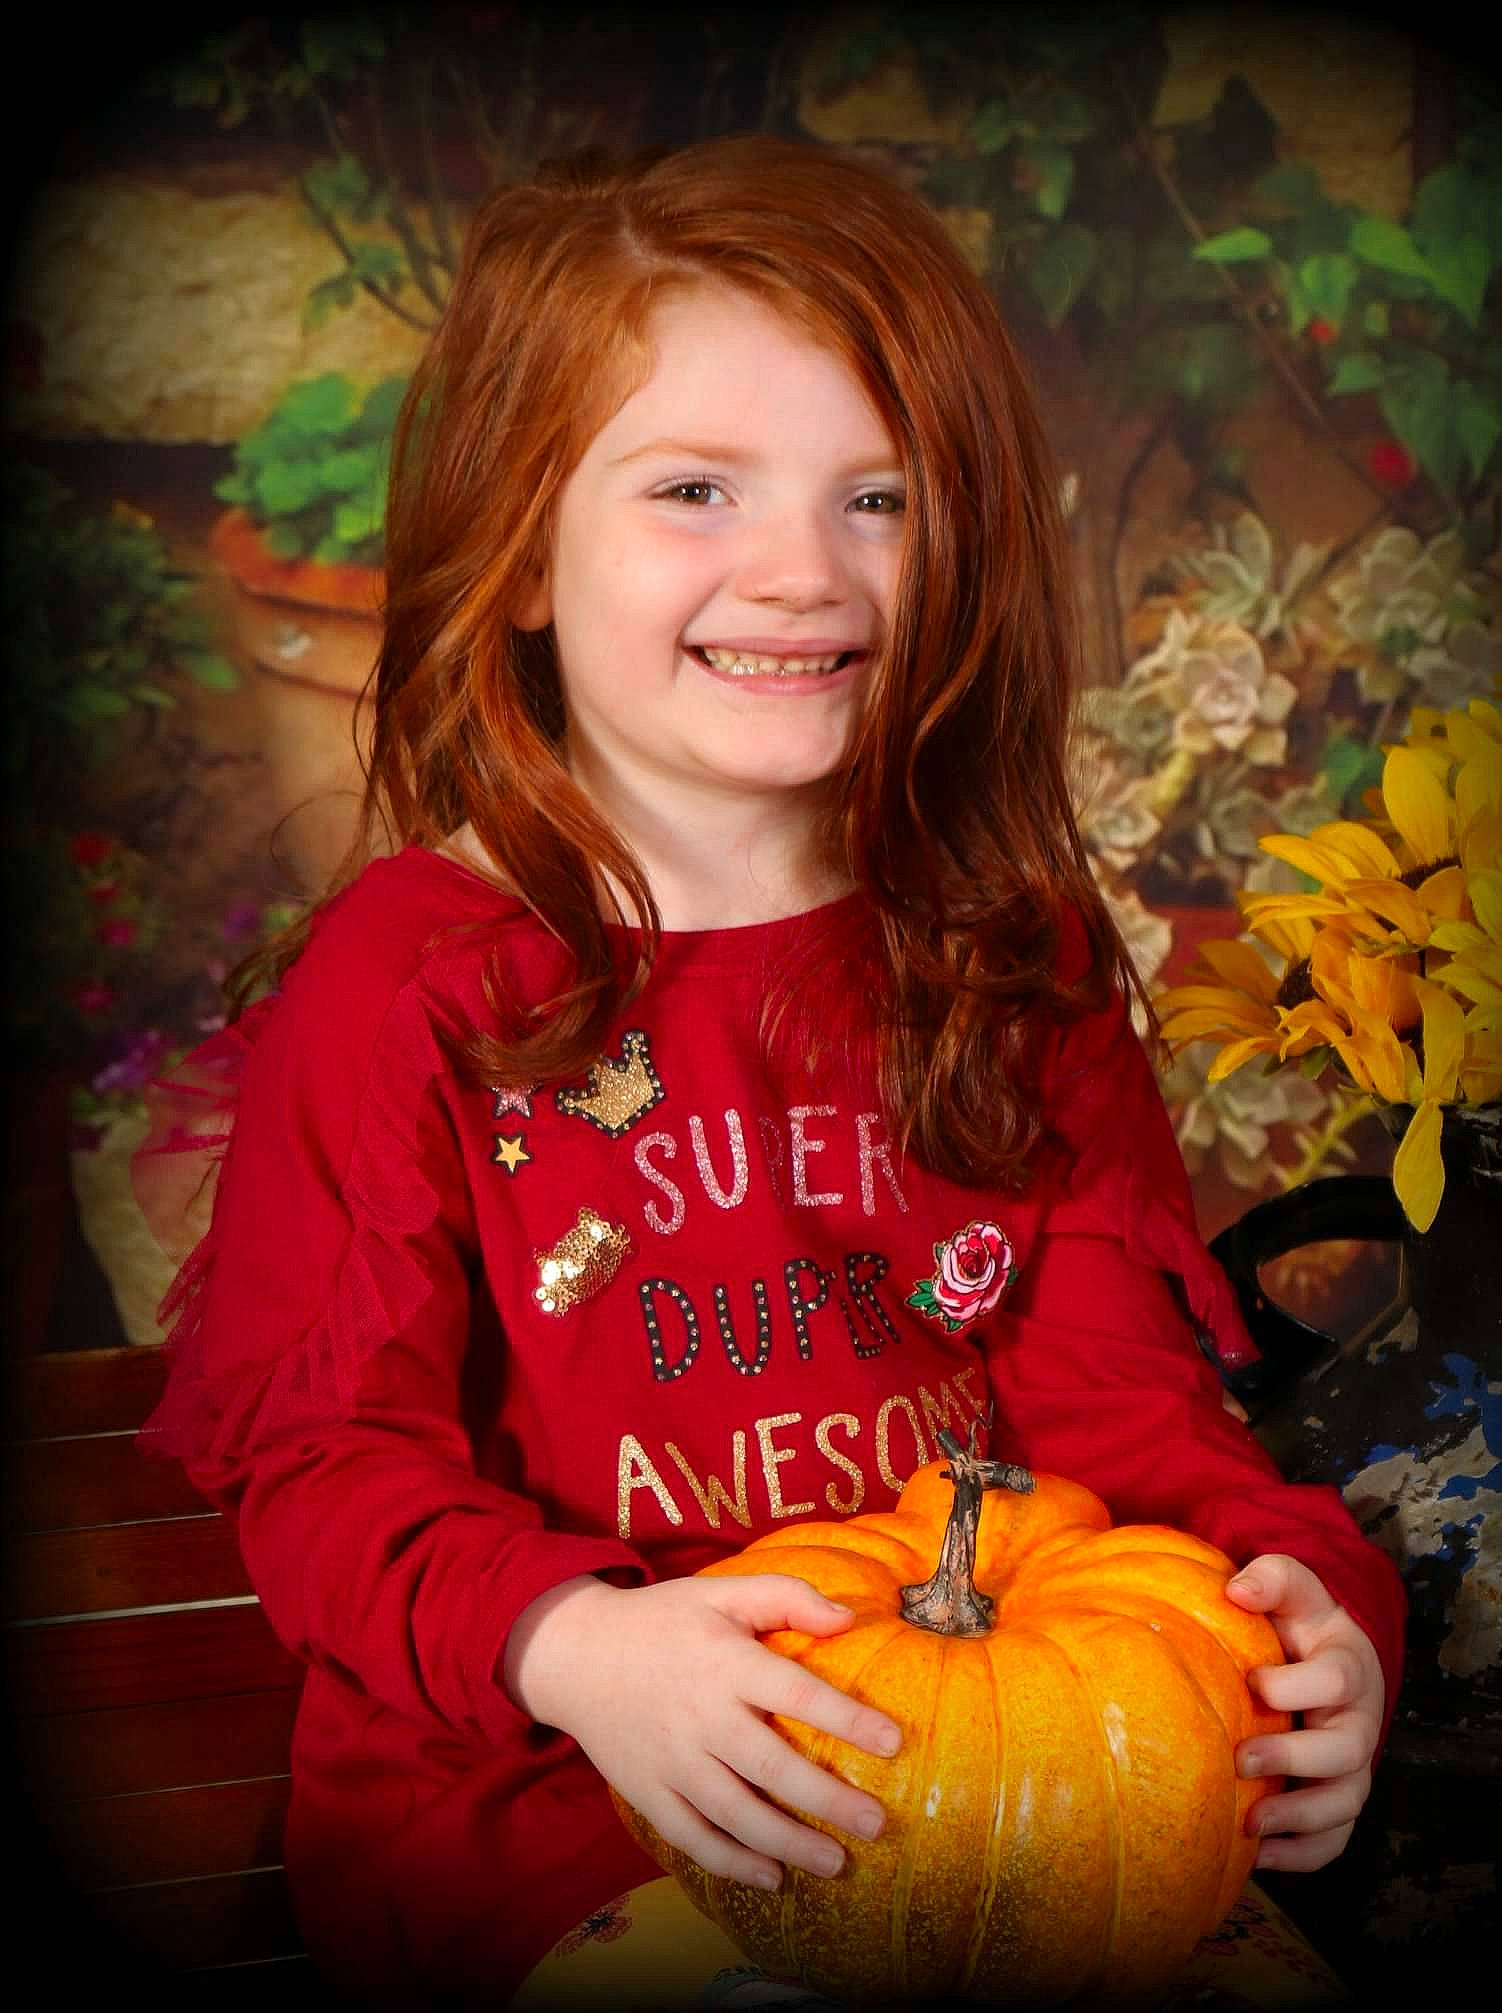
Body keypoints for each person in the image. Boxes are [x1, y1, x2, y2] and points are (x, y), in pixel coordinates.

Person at [134, 135, 1406, 2012]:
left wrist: (1312, 1597)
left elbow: (1126, 1415)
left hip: (996, 1744)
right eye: (696, 488)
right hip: (563, 1788)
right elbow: (328, 1472)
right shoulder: (408, 984)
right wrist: (578, 1647)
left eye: (876, 494)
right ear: (523, 548)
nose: (804, 572)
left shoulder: (1002, 945)